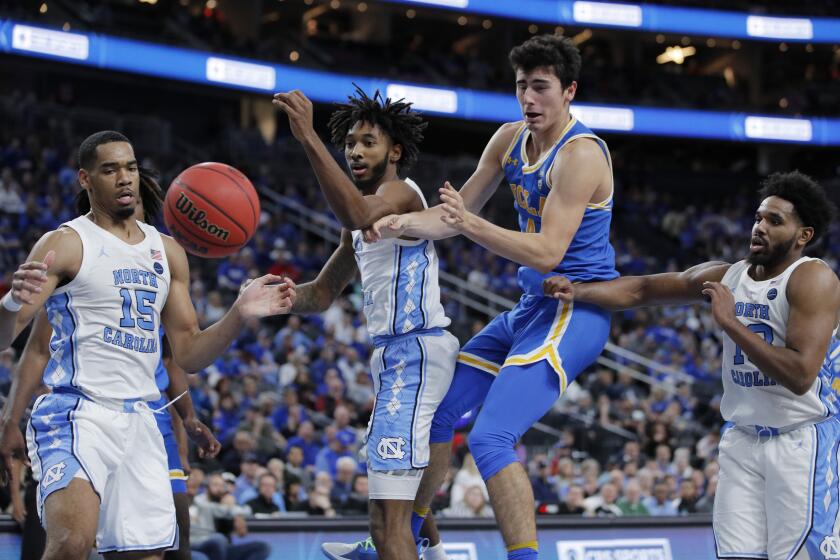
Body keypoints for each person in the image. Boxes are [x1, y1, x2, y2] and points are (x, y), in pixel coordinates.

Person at [365, 34, 617, 559]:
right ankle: (403, 537)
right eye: (522, 86)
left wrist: (467, 222)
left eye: (541, 88)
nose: (529, 98)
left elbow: (547, 251)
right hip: (530, 309)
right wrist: (400, 222)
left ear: (569, 91)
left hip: (577, 310)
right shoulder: (507, 139)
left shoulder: (582, 155)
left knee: (489, 439)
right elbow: (452, 217)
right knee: (436, 414)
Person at [0, 130, 294, 559]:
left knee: (148, 556)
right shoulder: (65, 243)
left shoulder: (168, 252)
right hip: (79, 412)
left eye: (131, 167)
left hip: (142, 420)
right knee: (72, 542)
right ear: (85, 179)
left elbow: (189, 353)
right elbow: (10, 337)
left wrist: (238, 315)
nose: (124, 178)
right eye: (110, 169)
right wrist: (10, 302)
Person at [545, 171, 840, 559]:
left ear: (803, 235)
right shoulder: (728, 275)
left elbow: (801, 375)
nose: (760, 227)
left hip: (800, 439)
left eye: (775, 221)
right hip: (742, 438)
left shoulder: (812, 278)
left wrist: (730, 323)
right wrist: (577, 291)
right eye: (758, 217)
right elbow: (643, 289)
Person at [273, 86, 459, 560]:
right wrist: (282, 297)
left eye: (368, 142)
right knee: (403, 492)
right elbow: (322, 293)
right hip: (398, 356)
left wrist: (307, 137)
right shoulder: (355, 224)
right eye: (349, 142)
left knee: (386, 519)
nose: (355, 150)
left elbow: (356, 210)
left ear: (394, 151)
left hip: (414, 351)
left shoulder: (399, 193)